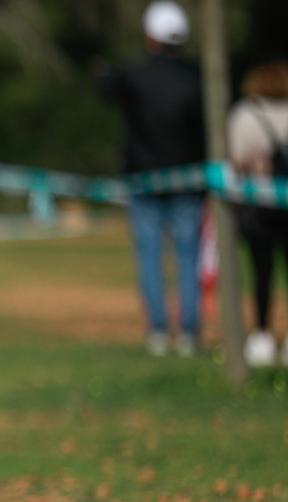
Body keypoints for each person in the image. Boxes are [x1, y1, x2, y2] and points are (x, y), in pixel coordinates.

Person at [97, 0, 206, 357]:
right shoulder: (199, 77)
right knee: (189, 258)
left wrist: (102, 71)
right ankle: (189, 333)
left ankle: (159, 332)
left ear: (150, 37)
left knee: (150, 258)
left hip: (144, 182)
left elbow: (106, 91)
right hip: (189, 182)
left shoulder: (135, 75)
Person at [228, 61, 288, 367]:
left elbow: (236, 162)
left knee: (261, 273)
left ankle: (263, 335)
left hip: (259, 210)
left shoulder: (245, 115)